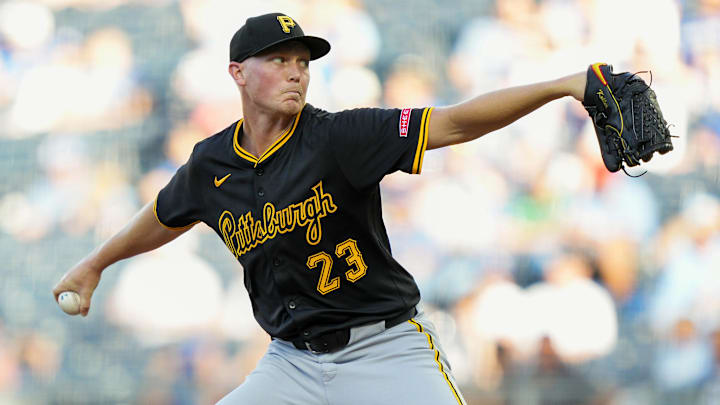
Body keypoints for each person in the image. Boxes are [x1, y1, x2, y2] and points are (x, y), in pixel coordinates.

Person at [53, 12, 588, 405]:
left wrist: (562, 85)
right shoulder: (211, 163)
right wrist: (95, 262)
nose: (297, 72)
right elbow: (165, 215)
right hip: (292, 364)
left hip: (386, 350)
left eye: (303, 63)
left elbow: (455, 122)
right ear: (238, 73)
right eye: (279, 60)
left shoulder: (340, 136)